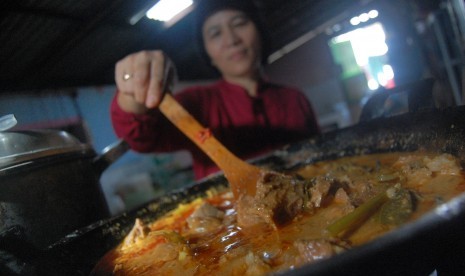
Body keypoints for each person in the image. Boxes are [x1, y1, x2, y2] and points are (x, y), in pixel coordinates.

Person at [111, 0, 320, 180]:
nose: (231, 40)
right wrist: (134, 86)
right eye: (215, 33)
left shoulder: (295, 99)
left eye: (239, 23)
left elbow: (323, 157)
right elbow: (140, 136)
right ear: (208, 53)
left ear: (259, 32)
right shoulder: (198, 103)